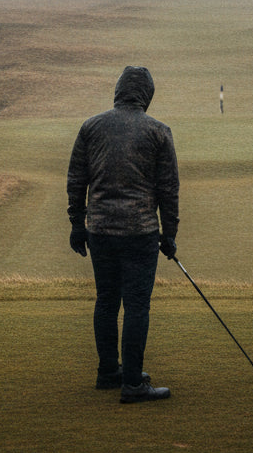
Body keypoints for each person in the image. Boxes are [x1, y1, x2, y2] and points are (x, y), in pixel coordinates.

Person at [67, 65, 179, 404]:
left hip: (99, 230)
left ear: (118, 90)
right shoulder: (158, 131)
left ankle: (108, 372)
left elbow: (76, 180)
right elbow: (168, 189)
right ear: (147, 94)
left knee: (106, 301)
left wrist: (77, 224)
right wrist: (169, 234)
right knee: (136, 306)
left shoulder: (91, 126)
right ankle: (132, 383)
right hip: (140, 232)